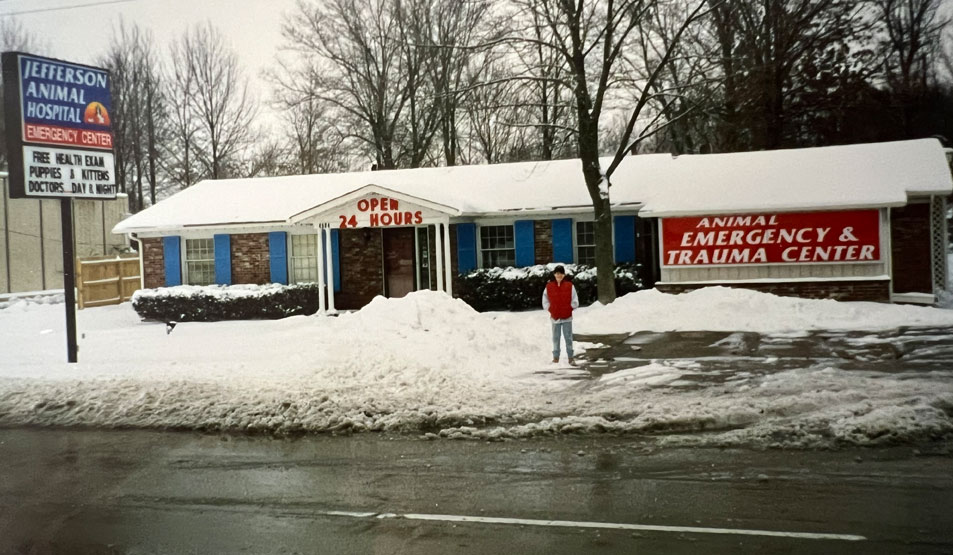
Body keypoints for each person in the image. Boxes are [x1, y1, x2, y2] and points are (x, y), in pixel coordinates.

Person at [542, 265, 579, 365]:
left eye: (561, 273)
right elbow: (545, 300)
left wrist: (570, 308)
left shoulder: (570, 285)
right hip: (555, 317)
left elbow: (575, 300)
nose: (559, 275)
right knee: (555, 338)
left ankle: (570, 357)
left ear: (564, 275)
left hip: (567, 316)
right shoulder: (549, 286)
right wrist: (550, 309)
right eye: (557, 273)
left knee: (568, 337)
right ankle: (556, 357)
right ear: (554, 274)